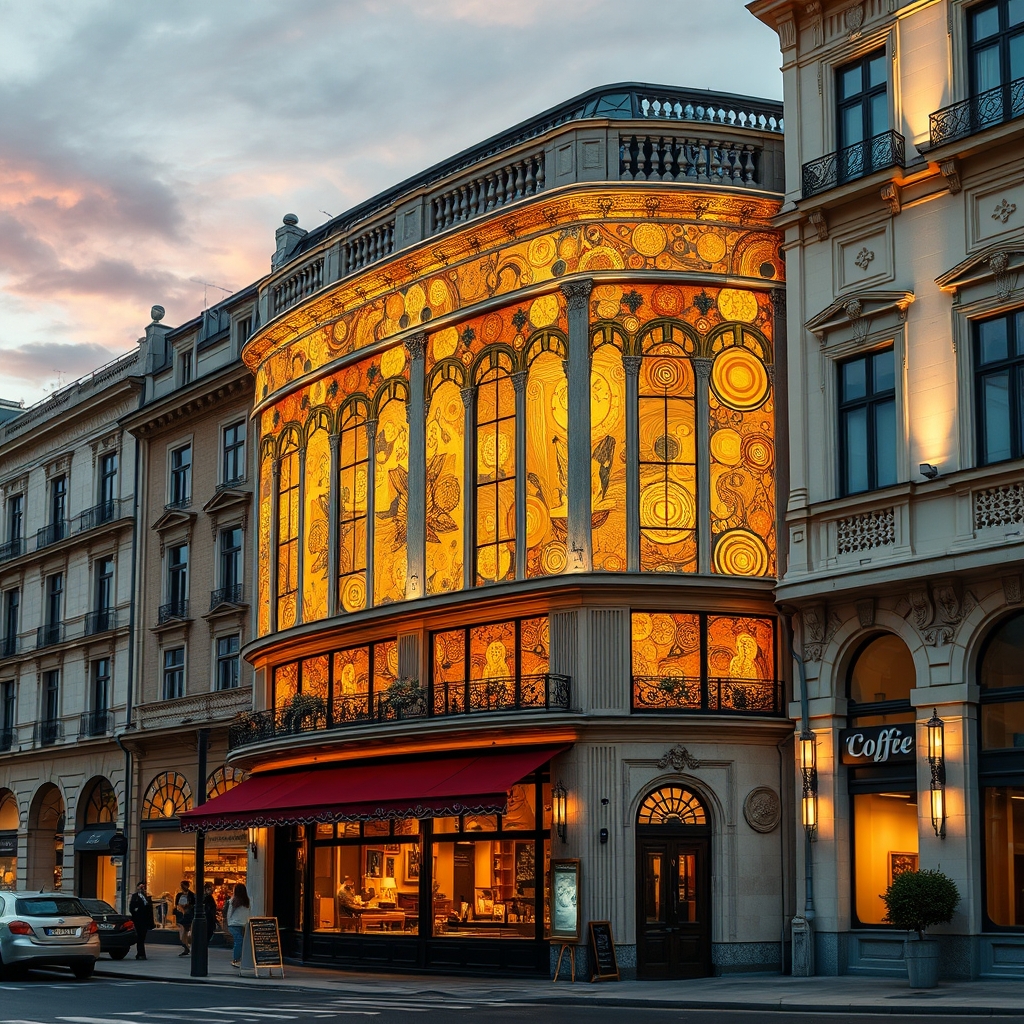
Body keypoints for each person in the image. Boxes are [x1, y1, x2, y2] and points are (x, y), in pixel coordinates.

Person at [225, 882, 251, 967]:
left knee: (239, 941)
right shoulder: (247, 901)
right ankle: (236, 959)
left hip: (234, 923)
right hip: (242, 924)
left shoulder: (233, 900)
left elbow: (228, 913)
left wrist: (227, 923)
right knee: (239, 941)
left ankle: (237, 959)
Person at [128, 881, 155, 960]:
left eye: (143, 887)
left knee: (142, 937)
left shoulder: (146, 897)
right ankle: (141, 953)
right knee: (140, 937)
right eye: (140, 887)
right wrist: (136, 911)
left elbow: (149, 908)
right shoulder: (135, 896)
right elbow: (132, 908)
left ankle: (141, 953)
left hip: (145, 920)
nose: (142, 889)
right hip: (138, 920)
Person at [174, 879, 196, 956]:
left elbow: (193, 904)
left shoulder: (191, 895)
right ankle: (185, 946)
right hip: (181, 914)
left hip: (189, 914)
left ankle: (188, 946)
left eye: (183, 885)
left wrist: (187, 906)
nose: (182, 887)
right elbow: (176, 904)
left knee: (189, 931)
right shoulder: (179, 895)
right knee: (182, 931)